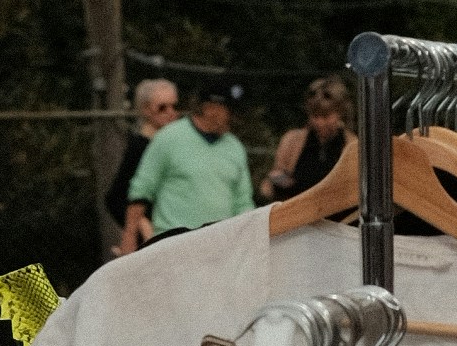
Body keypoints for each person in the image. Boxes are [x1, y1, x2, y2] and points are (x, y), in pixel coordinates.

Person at [124, 81, 253, 245]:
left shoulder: (235, 147)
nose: (235, 118)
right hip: (174, 245)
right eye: (230, 110)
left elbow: (243, 202)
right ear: (209, 108)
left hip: (221, 246)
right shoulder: (168, 138)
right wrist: (129, 238)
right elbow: (141, 192)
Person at [101, 75, 179, 254]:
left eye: (174, 106)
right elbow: (116, 198)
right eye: (162, 108)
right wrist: (143, 225)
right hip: (154, 239)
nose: (171, 113)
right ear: (145, 110)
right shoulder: (140, 147)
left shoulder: (174, 145)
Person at [263, 74, 353, 201]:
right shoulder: (291, 140)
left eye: (326, 116)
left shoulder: (352, 145)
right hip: (296, 212)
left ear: (340, 113)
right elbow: (269, 186)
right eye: (315, 116)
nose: (320, 123)